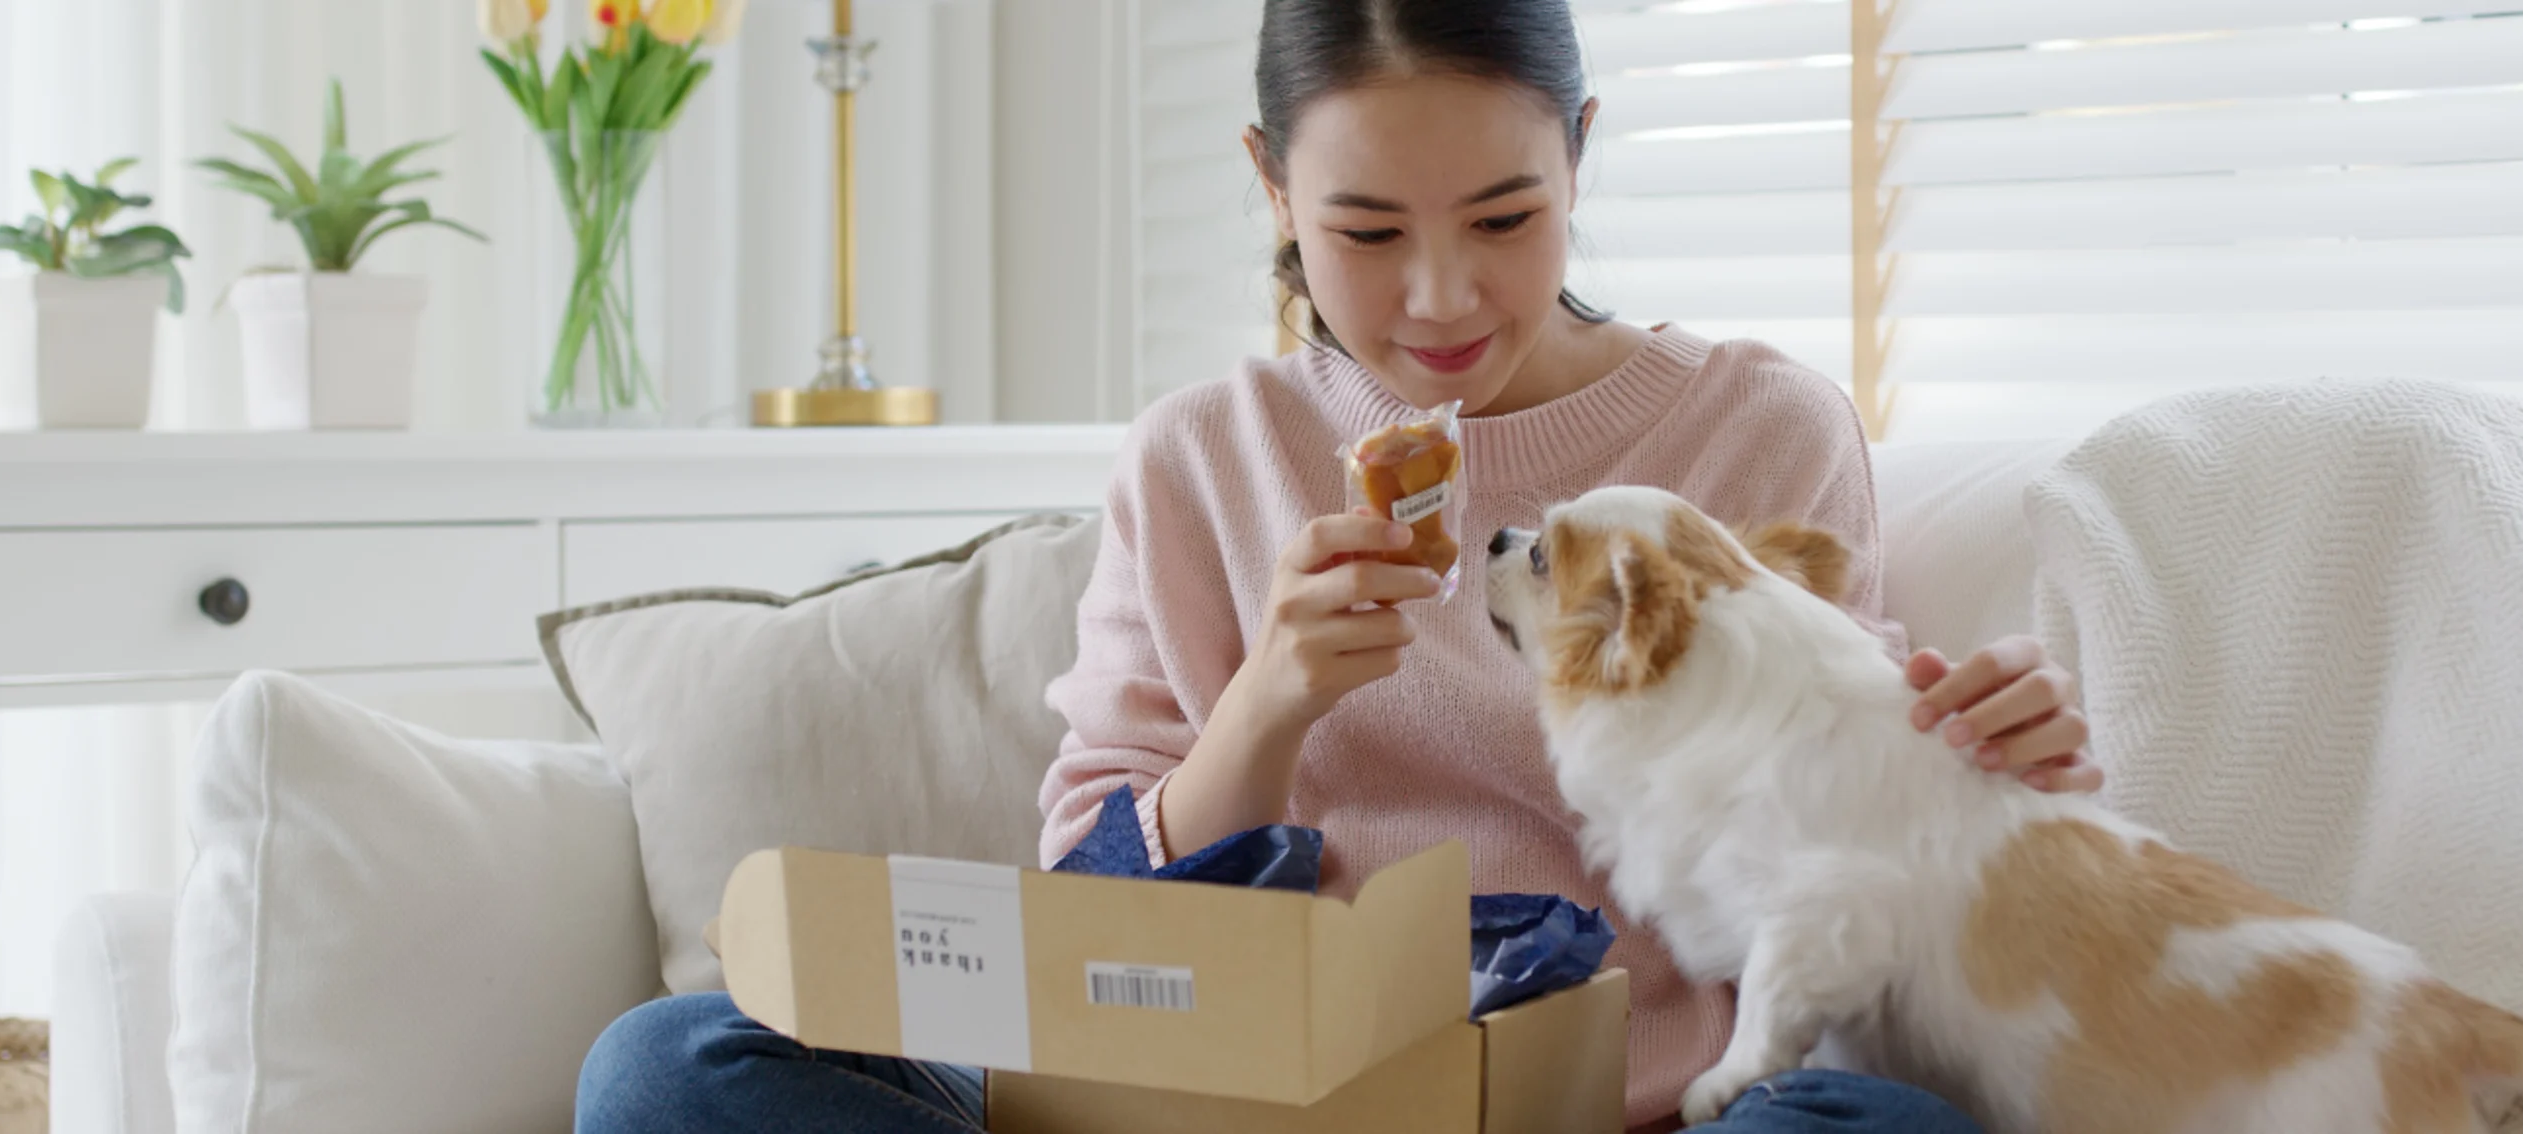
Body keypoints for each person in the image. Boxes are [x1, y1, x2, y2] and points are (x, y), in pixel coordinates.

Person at [575, 1, 2099, 1130]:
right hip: (1224, 1092)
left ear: (1578, 154)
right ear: (1270, 187)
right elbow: (1087, 901)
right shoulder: (1198, 456)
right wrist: (1267, 703)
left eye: (1505, 218)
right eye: (1364, 232)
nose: (1441, 297)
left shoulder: (1752, 431)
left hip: (1593, 1103)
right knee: (667, 1065)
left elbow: (1831, 840)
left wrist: (1977, 764)